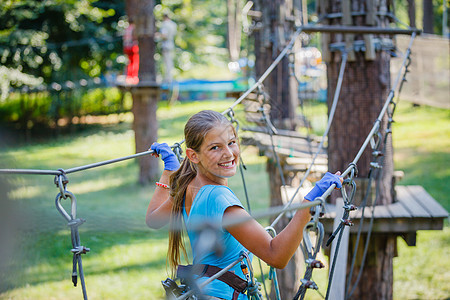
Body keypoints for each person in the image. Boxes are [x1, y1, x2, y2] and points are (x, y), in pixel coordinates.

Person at [146, 110, 342, 299]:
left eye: (231, 143)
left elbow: (154, 219)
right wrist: (309, 203)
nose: (229, 154)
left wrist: (170, 171)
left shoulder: (189, 185)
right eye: (215, 147)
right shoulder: (219, 198)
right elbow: (276, 256)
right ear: (193, 155)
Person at [157, 14, 177, 83]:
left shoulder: (165, 24)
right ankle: (169, 77)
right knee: (170, 62)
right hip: (171, 44)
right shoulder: (173, 24)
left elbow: (164, 35)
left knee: (166, 62)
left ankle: (167, 79)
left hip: (165, 44)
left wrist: (158, 36)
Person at [123, 19, 139, 84]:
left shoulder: (126, 29)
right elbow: (135, 37)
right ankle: (134, 76)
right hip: (133, 47)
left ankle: (128, 76)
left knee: (129, 62)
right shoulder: (133, 29)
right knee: (135, 62)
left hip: (127, 46)